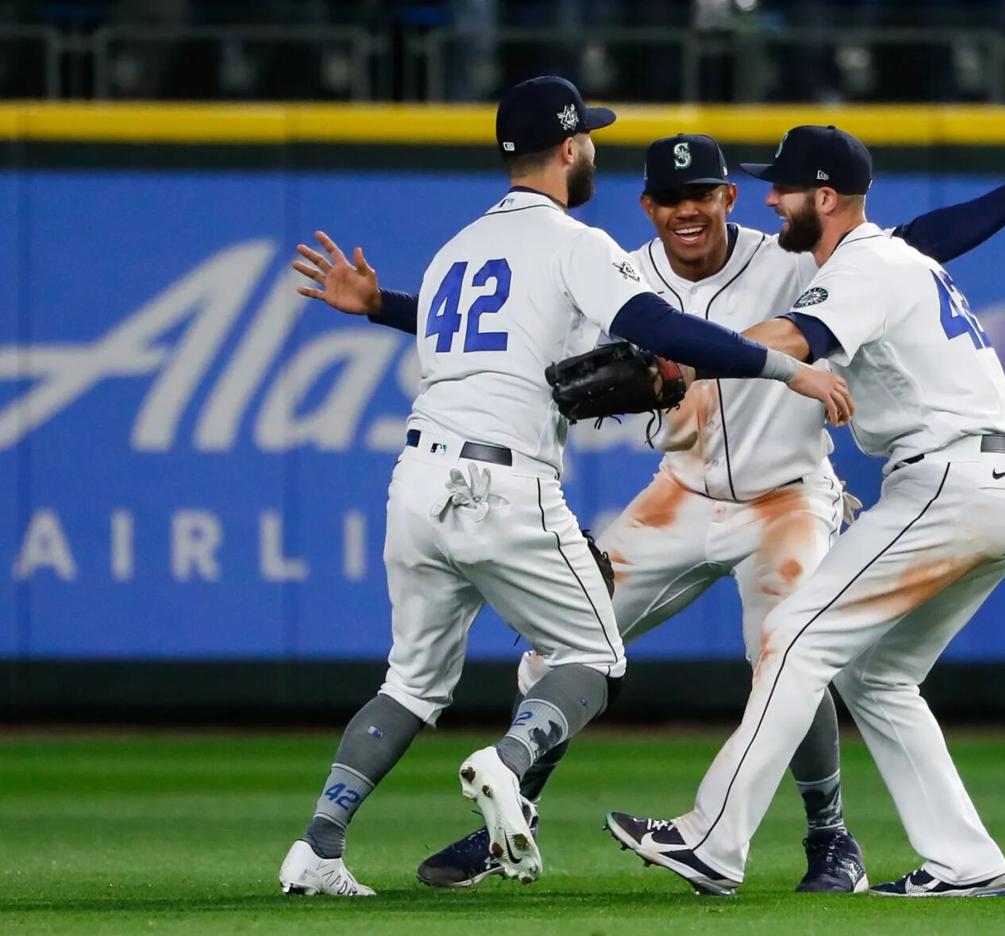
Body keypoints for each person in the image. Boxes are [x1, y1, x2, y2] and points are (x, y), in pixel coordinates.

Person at [294, 133, 1005, 892]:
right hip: (682, 495)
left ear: (726, 198)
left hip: (789, 493)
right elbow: (514, 335)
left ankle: (828, 839)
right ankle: (511, 811)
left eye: (708, 194)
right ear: (650, 207)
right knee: (557, 655)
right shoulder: (621, 274)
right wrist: (382, 307)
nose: (692, 209)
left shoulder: (799, 257)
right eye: (671, 198)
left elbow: (910, 244)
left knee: (786, 648)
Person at [276, 76, 851, 898]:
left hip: (417, 482)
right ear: (575, 147)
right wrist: (781, 366)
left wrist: (378, 306)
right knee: (591, 655)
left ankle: (318, 848)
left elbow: (499, 326)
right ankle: (508, 769)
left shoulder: (457, 249)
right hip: (508, 479)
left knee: (411, 680)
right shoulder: (577, 243)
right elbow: (653, 328)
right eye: (594, 142)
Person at [604, 124, 1005, 898]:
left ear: (827, 198)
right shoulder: (887, 258)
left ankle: (711, 839)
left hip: (949, 480)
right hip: (999, 486)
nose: (770, 198)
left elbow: (793, 337)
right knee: (875, 678)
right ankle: (967, 862)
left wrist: (679, 360)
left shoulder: (863, 264)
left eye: (784, 186)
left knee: (793, 635)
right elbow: (933, 236)